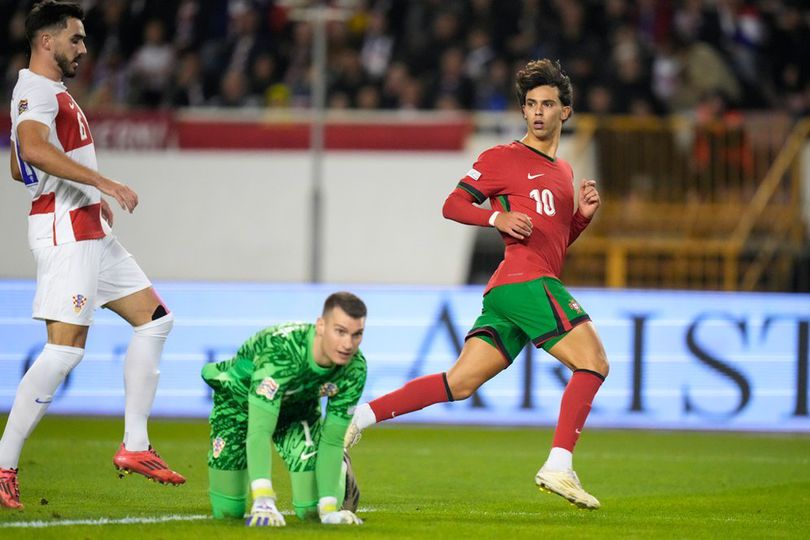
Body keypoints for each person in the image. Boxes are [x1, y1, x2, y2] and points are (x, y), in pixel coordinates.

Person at [344, 59, 609, 510]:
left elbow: (555, 243)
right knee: (594, 361)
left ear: (565, 112)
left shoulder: (563, 173)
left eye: (547, 104)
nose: (538, 112)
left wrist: (581, 218)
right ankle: (559, 464)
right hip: (524, 281)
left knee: (460, 382)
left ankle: (357, 419)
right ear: (523, 111)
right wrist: (496, 216)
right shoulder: (501, 158)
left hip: (515, 288)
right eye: (530, 104)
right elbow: (452, 204)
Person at [0, 1, 184, 510]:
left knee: (155, 321)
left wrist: (85, 191)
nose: (83, 48)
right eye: (75, 39)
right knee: (64, 350)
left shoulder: (49, 94)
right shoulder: (36, 90)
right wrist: (102, 181)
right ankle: (4, 460)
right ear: (46, 41)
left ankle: (135, 445)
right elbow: (32, 149)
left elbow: (21, 166)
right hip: (68, 234)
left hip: (90, 230)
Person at [202, 292, 368, 527]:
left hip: (296, 412)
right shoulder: (282, 352)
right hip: (238, 406)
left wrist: (329, 508)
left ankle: (339, 473)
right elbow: (259, 430)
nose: (348, 344)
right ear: (321, 326)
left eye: (357, 334)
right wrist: (263, 500)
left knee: (311, 511)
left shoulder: (355, 369)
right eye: (340, 331)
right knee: (228, 512)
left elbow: (332, 440)